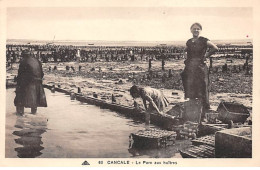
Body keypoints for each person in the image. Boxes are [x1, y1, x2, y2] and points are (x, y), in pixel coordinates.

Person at [181, 23, 218, 119]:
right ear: (191, 30)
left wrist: (205, 56)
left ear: (200, 30)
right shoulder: (189, 41)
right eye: (194, 29)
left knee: (202, 87)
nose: (196, 30)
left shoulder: (203, 40)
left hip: (200, 67)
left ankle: (204, 113)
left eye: (198, 29)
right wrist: (185, 57)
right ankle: (193, 111)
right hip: (190, 67)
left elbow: (215, 48)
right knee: (191, 86)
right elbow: (185, 50)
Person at [14, 49, 47, 115]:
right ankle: (33, 113)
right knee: (34, 101)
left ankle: (20, 115)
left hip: (29, 83)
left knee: (19, 97)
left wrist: (17, 80)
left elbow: (20, 75)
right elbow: (42, 74)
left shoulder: (23, 61)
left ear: (23, 55)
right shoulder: (37, 61)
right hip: (38, 83)